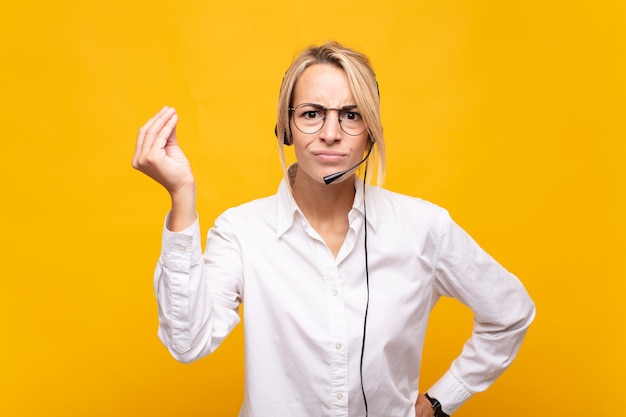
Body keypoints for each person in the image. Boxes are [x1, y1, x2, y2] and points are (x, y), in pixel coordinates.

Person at [132, 41, 535, 417]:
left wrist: (442, 398)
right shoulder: (241, 231)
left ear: (371, 133)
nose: (330, 133)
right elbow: (187, 342)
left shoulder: (423, 227)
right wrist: (181, 194)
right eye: (311, 114)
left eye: (351, 115)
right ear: (285, 128)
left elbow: (510, 312)